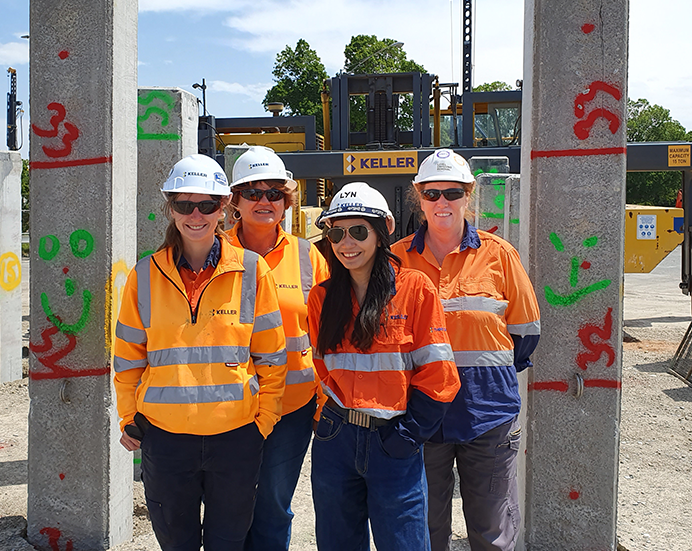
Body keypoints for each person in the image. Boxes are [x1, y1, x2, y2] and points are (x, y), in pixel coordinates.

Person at [113, 153, 287, 551]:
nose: (196, 214)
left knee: (229, 541)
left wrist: (263, 421)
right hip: (166, 440)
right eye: (184, 204)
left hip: (236, 438)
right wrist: (128, 418)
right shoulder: (144, 276)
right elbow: (127, 359)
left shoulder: (252, 270)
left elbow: (272, 357)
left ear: (223, 207)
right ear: (170, 207)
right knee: (177, 543)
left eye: (207, 204)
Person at [392, 149, 541, 551]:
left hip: (487, 415)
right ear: (418, 197)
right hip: (419, 417)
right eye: (432, 193)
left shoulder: (499, 255)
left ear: (468, 194)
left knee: (492, 534)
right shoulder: (396, 260)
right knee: (424, 531)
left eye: (452, 193)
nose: (442, 202)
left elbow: (525, 336)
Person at [307, 182, 461, 551]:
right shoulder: (321, 298)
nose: (347, 243)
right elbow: (322, 368)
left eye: (358, 231)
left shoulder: (415, 289)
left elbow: (439, 374)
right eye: (336, 233)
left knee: (404, 543)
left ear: (382, 232)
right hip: (335, 439)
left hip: (394, 440)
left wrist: (408, 436)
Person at [226, 146, 329, 551]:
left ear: (287, 202)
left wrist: (324, 399)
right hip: (230, 406)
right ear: (235, 200)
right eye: (253, 192)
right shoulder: (216, 254)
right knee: (229, 504)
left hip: (291, 407)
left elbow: (325, 335)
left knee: (272, 502)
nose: (264, 201)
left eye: (274, 193)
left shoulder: (308, 257)